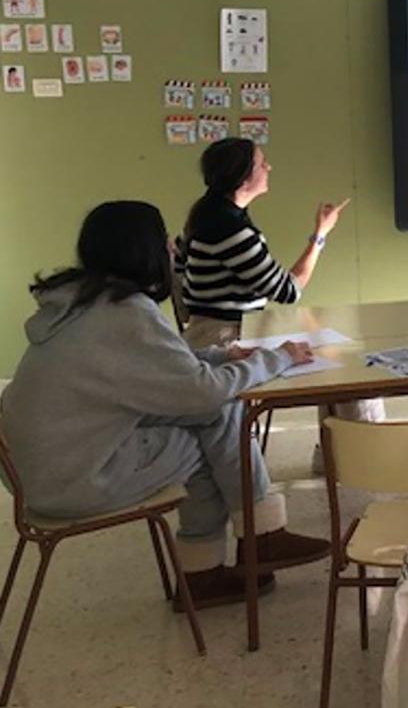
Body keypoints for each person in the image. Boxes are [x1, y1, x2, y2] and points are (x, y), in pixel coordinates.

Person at [0, 202, 330, 608]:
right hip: (74, 479)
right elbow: (202, 391)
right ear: (142, 251)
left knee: (216, 412)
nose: (172, 249)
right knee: (208, 433)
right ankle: (237, 553)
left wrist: (224, 357)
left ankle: (231, 556)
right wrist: (276, 358)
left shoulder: (84, 304)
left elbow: (161, 370)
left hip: (34, 470)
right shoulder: (125, 314)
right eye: (164, 241)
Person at [177, 138, 381, 469]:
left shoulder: (206, 213)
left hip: (219, 330)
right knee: (349, 366)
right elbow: (288, 290)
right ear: (243, 178)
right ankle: (363, 459)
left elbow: (180, 272)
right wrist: (320, 236)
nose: (269, 168)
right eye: (262, 164)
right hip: (227, 339)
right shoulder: (231, 229)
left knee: (333, 354)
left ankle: (337, 457)